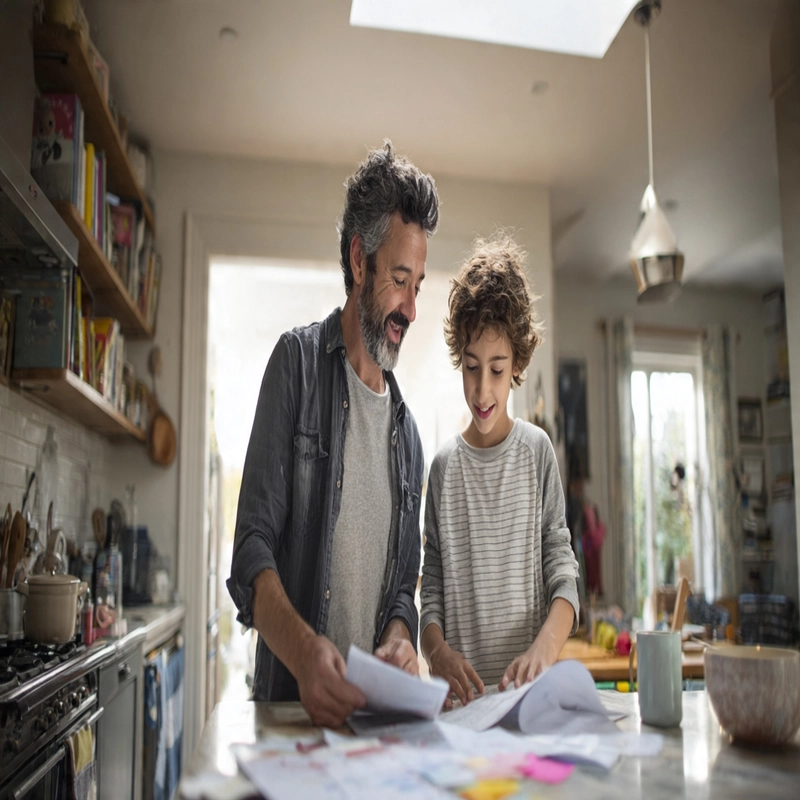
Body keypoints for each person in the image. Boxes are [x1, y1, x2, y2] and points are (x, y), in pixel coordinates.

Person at [227, 142, 439, 727]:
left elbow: (401, 589)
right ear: (358, 260)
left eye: (418, 285)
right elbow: (251, 549)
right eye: (400, 280)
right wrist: (302, 654)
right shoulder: (294, 366)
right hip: (289, 719)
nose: (412, 309)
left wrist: (401, 637)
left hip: (372, 733)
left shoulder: (409, 439)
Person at [420, 232, 580, 706]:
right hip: (461, 709)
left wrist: (545, 649)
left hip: (526, 703)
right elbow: (430, 589)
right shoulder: (444, 469)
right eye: (471, 368)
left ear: (517, 364)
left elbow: (563, 573)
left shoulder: (537, 452)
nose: (482, 389)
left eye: (496, 368)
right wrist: (437, 654)